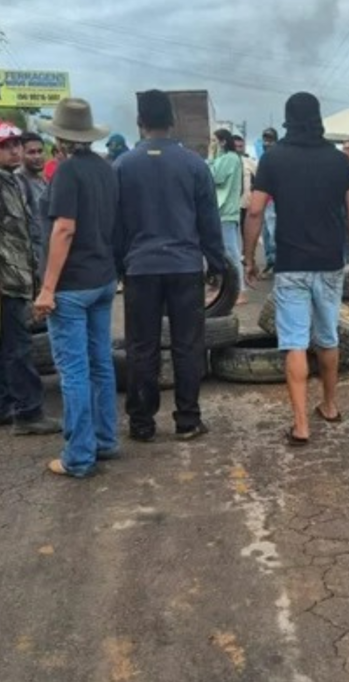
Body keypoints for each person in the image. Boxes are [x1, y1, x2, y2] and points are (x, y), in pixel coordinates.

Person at [243, 92, 349, 447]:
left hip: (291, 264)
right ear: (318, 118)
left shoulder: (273, 158)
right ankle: (329, 406)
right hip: (329, 263)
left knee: (294, 341)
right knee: (327, 336)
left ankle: (300, 425)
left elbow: (255, 212)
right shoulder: (340, 161)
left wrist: (249, 258)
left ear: (287, 120)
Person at [115, 90, 226, 443]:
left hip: (140, 268)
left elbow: (115, 225)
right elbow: (209, 219)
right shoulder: (194, 164)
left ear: (139, 122)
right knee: (188, 344)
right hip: (184, 266)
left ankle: (142, 423)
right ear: (172, 122)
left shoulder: (121, 166)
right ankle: (188, 420)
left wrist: (120, 264)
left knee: (141, 346)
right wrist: (216, 262)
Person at [31, 99, 120, 478]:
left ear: (61, 139)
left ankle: (79, 456)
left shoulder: (66, 173)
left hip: (71, 286)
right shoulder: (106, 169)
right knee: (100, 362)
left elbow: (64, 228)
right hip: (102, 279)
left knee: (74, 371)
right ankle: (104, 439)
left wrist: (47, 287)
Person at [0, 121, 58, 436]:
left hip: (16, 275)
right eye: (5, 145)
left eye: (16, 144)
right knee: (18, 349)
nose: (14, 150)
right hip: (2, 279)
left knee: (0, 346)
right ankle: (28, 413)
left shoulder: (11, 181)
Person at [209, 128, 245, 302]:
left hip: (226, 212)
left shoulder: (230, 158)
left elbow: (214, 176)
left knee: (231, 252)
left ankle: (240, 290)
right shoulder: (224, 158)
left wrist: (210, 157)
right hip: (220, 211)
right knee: (224, 252)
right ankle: (227, 288)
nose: (212, 144)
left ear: (223, 142)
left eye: (214, 141)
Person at [17, 132, 49, 282]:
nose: (37, 156)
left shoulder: (43, 181)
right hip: (29, 261)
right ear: (21, 154)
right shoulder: (18, 181)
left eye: (40, 151)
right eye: (31, 152)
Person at [260, 127, 279, 276]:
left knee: (274, 236)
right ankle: (270, 262)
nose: (267, 142)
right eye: (265, 139)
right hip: (264, 202)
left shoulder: (278, 158)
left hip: (274, 202)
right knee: (266, 236)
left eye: (270, 139)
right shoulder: (263, 158)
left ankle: (278, 264)